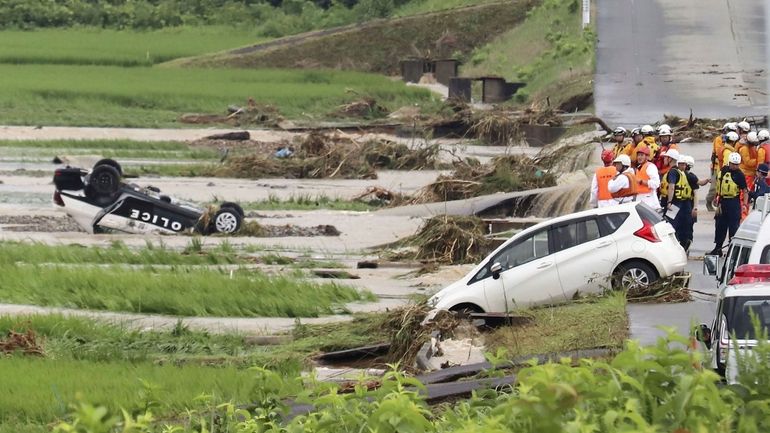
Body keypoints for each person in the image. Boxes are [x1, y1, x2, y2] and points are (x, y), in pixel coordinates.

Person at [710, 152, 748, 256]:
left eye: (737, 164)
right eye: (733, 164)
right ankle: (718, 248)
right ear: (729, 163)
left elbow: (745, 191)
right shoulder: (723, 170)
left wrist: (744, 205)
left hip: (733, 202)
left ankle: (732, 250)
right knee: (720, 226)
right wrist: (715, 197)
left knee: (733, 227)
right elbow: (719, 185)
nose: (735, 166)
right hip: (722, 202)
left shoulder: (740, 175)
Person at [665, 155, 694, 251]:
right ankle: (683, 244)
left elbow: (671, 186)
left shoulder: (674, 173)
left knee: (671, 224)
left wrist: (669, 202)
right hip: (684, 203)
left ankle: (673, 245)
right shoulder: (687, 175)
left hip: (676, 202)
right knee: (683, 225)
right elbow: (698, 184)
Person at [707, 123, 736, 210]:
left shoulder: (732, 142)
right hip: (716, 166)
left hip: (724, 167)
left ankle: (718, 203)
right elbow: (719, 151)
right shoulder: (719, 139)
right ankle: (709, 202)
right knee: (714, 187)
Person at [633, 144, 661, 209]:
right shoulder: (638, 168)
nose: (639, 157)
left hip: (649, 199)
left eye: (642, 155)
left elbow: (656, 183)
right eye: (638, 155)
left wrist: (641, 181)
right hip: (640, 198)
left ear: (647, 157)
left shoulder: (650, 167)